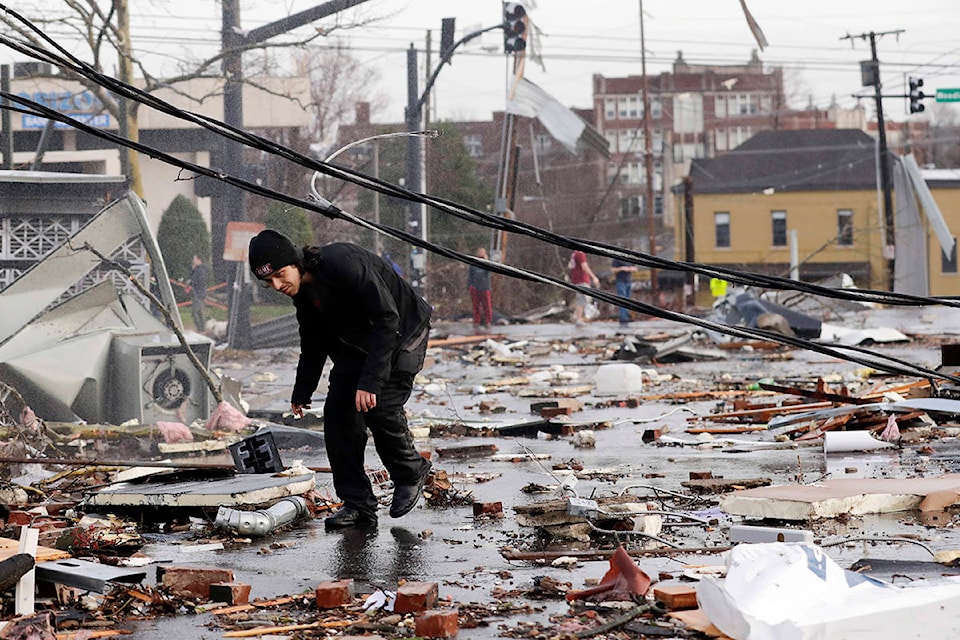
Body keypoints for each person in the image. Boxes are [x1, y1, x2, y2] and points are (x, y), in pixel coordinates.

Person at [247, 230, 432, 531]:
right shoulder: (303, 295)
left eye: (280, 275)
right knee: (338, 415)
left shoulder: (342, 264)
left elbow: (388, 318)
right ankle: (358, 504)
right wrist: (302, 389)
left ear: (296, 261)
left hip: (402, 333)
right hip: (358, 345)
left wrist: (370, 382)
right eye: (269, 282)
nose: (277, 286)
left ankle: (411, 472)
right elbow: (313, 341)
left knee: (379, 406)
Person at [567, 249, 600, 326]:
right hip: (582, 280)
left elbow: (569, 265)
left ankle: (576, 315)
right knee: (583, 299)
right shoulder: (580, 253)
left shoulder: (574, 253)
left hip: (576, 279)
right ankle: (578, 318)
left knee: (583, 299)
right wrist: (594, 277)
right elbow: (584, 266)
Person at [468, 247, 493, 333]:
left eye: (482, 252)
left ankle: (488, 321)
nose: (481, 253)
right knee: (476, 306)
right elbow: (470, 275)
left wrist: (487, 261)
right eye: (479, 252)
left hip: (485, 287)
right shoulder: (473, 263)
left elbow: (488, 271)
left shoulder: (487, 263)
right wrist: (470, 286)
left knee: (487, 306)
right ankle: (476, 322)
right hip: (475, 287)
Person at [611, 257, 637, 327]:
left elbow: (635, 268)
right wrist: (622, 268)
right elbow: (613, 270)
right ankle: (623, 318)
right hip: (620, 281)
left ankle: (627, 316)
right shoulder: (617, 259)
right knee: (622, 299)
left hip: (628, 281)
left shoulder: (630, 259)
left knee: (628, 299)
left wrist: (631, 269)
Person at [188, 253, 209, 334]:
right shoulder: (196, 270)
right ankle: (201, 329)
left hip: (199, 294)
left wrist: (192, 282)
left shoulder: (201, 270)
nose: (193, 261)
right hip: (196, 293)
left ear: (199, 259)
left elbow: (200, 281)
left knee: (195, 312)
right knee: (199, 312)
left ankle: (201, 329)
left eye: (194, 259)